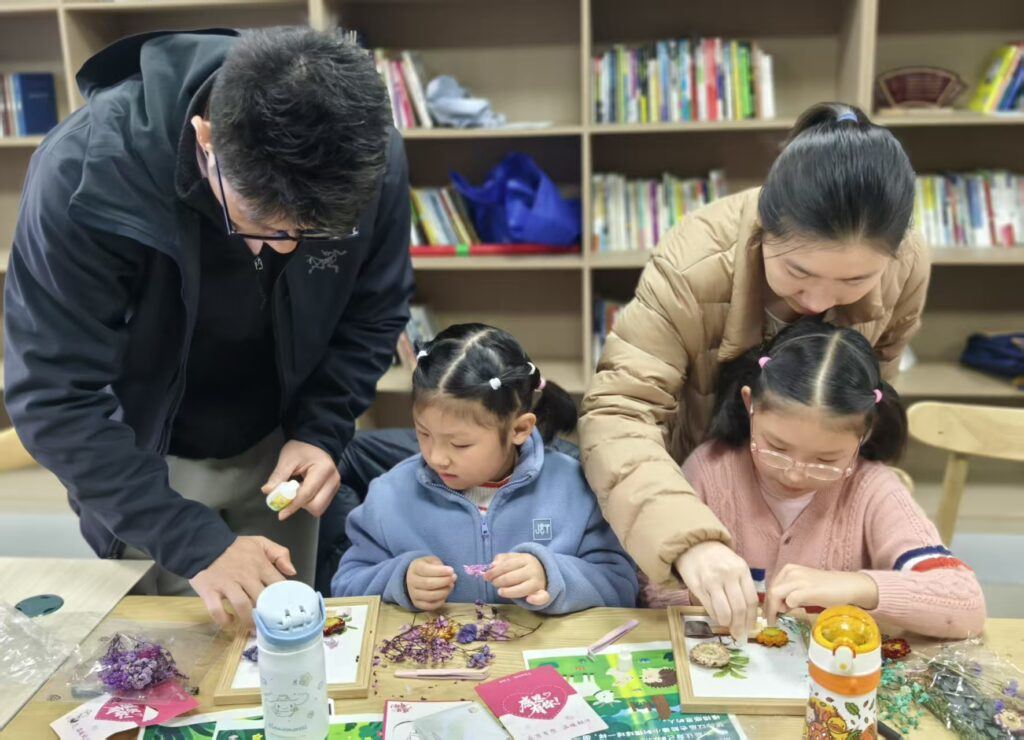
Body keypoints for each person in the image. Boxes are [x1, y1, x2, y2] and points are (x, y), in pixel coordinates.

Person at [3, 27, 413, 627]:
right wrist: (189, 541)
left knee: (287, 634)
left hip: (281, 442)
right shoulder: (84, 172)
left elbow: (373, 311)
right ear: (206, 139)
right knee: (173, 652)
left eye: (310, 235)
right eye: (262, 225)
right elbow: (52, 397)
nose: (284, 249)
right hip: (142, 454)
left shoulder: (365, 154)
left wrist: (322, 430)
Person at [578, 101, 931, 640]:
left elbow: (867, 394)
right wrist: (689, 539)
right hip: (687, 485)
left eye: (854, 283)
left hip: (808, 508)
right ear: (765, 228)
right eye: (798, 272)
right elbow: (619, 411)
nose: (819, 302)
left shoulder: (905, 264)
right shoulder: (695, 260)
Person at [642, 319, 985, 639]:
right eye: (777, 448)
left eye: (826, 460)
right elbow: (653, 592)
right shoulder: (711, 470)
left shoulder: (872, 489)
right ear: (750, 405)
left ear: (864, 434)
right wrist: (704, 591)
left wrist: (857, 587)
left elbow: (966, 604)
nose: (795, 473)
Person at [331, 324, 639, 614]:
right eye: (423, 433)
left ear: (519, 429)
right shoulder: (390, 495)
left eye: (460, 444)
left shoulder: (575, 490)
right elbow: (345, 586)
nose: (437, 457)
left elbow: (621, 586)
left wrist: (552, 576)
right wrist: (398, 580)